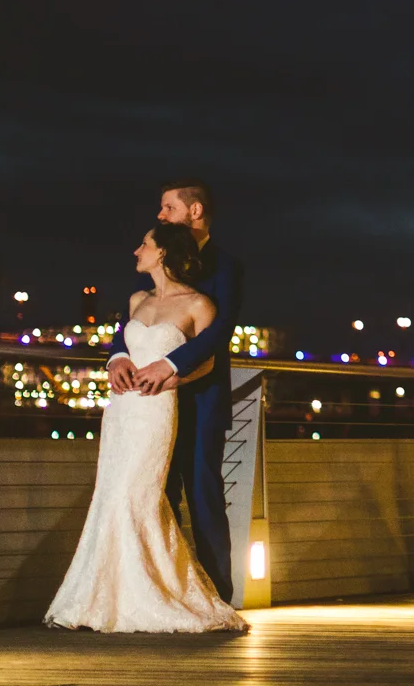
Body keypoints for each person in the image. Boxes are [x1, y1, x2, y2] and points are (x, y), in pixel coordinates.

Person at [46, 223, 247, 632]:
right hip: (122, 410)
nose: (136, 251)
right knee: (110, 493)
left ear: (163, 253)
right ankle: (105, 596)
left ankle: (151, 593)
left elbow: (208, 361)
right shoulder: (137, 299)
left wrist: (172, 379)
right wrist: (117, 359)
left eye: (144, 244)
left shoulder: (199, 305)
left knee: (135, 494)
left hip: (155, 410)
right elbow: (122, 341)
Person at [105, 179, 245, 604]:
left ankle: (216, 597)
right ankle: (159, 593)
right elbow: (130, 323)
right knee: (153, 494)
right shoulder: (152, 272)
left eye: (168, 208)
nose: (161, 215)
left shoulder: (225, 266)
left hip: (200, 399)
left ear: (194, 210)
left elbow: (219, 331)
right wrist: (118, 357)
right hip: (145, 407)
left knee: (202, 494)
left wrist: (170, 366)